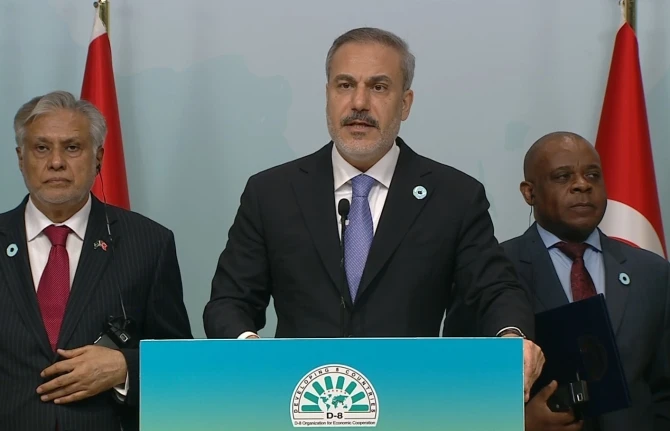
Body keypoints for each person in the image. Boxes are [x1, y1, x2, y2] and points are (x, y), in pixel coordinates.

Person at [203, 27, 544, 399]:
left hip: (413, 400)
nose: (359, 103)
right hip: (296, 400)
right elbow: (229, 302)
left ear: (405, 103)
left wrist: (512, 338)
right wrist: (250, 351)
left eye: (379, 87)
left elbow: (495, 290)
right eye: (345, 85)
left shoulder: (454, 197)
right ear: (328, 95)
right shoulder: (272, 193)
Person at [0, 90, 193, 431]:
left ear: (99, 156)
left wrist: (125, 368)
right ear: (20, 158)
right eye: (41, 148)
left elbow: (179, 363)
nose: (56, 162)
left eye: (72, 147)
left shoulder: (149, 243)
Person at [445, 131, 670, 430]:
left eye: (593, 175)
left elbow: (664, 388)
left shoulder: (652, 272)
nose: (582, 185)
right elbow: (461, 387)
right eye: (563, 177)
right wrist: (521, 424)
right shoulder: (489, 271)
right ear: (529, 193)